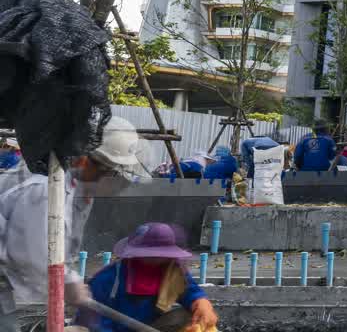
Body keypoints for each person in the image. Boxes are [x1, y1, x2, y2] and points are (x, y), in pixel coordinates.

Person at [0, 118, 146, 332]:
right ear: (85, 158)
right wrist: (70, 284)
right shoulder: (43, 187)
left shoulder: (77, 187)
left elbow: (61, 248)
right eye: (109, 170)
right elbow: (33, 257)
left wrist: (71, 281)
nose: (111, 178)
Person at [77, 223, 217, 332]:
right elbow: (93, 319)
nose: (156, 259)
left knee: (186, 317)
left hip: (148, 327)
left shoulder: (171, 271)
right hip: (110, 328)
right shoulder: (108, 278)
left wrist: (201, 303)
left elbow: (190, 291)